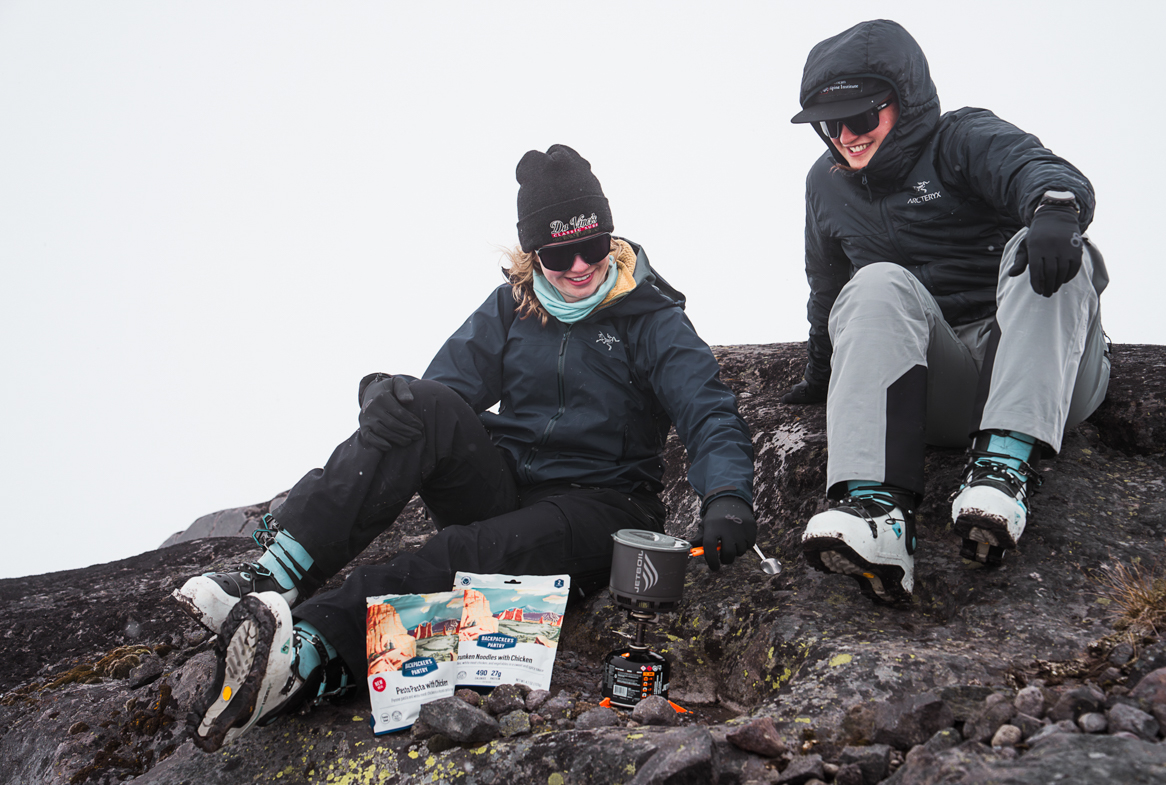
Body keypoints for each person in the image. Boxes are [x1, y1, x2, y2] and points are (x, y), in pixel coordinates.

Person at [174, 144, 757, 751]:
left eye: (593, 246)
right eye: (559, 254)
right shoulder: (513, 305)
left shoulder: (651, 318)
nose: (580, 265)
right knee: (415, 406)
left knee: (459, 551)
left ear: (609, 238)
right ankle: (273, 575)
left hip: (602, 506)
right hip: (509, 486)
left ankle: (302, 658)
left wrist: (727, 493)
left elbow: (707, 408)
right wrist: (385, 396)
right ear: (533, 254)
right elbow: (444, 394)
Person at [784, 20, 1109, 605]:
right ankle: (876, 514)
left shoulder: (962, 138)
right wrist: (819, 372)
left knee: (1050, 247)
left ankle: (1002, 472)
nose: (845, 136)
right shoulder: (825, 185)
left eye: (862, 117)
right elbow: (828, 288)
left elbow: (1039, 170)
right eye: (830, 125)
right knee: (876, 281)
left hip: (1042, 373)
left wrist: (1056, 207)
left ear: (904, 102)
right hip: (941, 385)